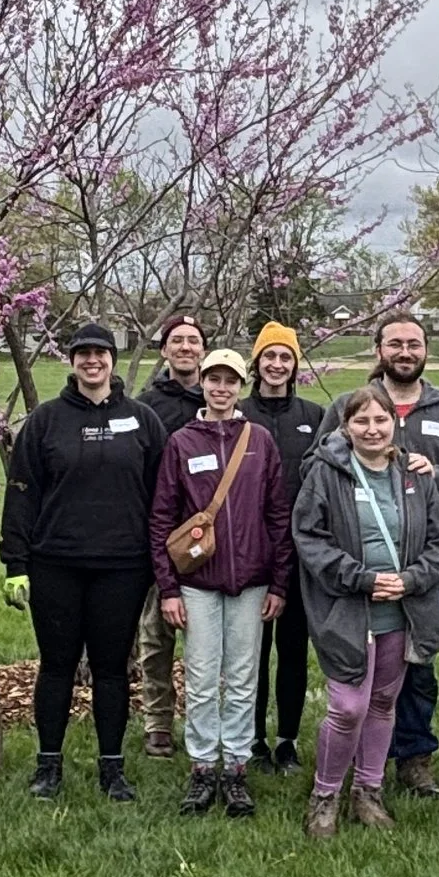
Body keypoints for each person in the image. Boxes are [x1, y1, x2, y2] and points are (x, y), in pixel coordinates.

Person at [0, 321, 169, 800]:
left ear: (113, 360)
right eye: (82, 354)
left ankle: (112, 768)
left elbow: (162, 496)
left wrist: (160, 565)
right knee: (57, 666)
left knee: (112, 668)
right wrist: (16, 563)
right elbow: (22, 493)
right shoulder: (46, 421)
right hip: (56, 563)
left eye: (101, 353)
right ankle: (48, 765)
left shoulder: (141, 420)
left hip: (123, 566)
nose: (92, 361)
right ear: (70, 362)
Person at [291, 387, 439, 838]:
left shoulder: (414, 475)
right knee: (348, 706)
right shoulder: (327, 475)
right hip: (348, 607)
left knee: (383, 702)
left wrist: (412, 579)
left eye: (380, 420)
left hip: (402, 609)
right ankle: (324, 795)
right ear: (346, 427)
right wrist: (361, 577)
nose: (372, 429)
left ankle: (368, 791)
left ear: (393, 425)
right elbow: (309, 538)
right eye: (361, 421)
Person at [343, 311, 439, 799]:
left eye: (414, 344)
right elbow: (321, 466)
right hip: (365, 569)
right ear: (378, 350)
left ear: (425, 349)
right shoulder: (352, 405)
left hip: (427, 567)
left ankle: (415, 756)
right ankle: (365, 758)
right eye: (394, 344)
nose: (404, 352)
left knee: (417, 664)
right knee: (362, 663)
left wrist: (437, 473)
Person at [150, 347, 293, 816]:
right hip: (199, 581)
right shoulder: (182, 442)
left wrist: (279, 581)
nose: (221, 388)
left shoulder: (260, 441)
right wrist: (168, 588)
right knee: (202, 676)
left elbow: (277, 513)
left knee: (242, 676)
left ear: (240, 385)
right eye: (213, 379)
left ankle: (235, 766)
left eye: (230, 381)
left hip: (252, 581)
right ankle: (202, 766)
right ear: (203, 385)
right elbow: (162, 517)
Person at [238, 321, 324, 771]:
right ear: (256, 363)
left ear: (295, 365)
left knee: (292, 650)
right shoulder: (237, 414)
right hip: (250, 552)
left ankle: (287, 739)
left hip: (300, 554)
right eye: (269, 356)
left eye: (285, 357)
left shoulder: (313, 416)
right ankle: (251, 738)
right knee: (252, 651)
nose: (276, 364)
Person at [135, 312, 210, 756]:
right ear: (165, 351)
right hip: (160, 532)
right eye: (177, 341)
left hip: (206, 536)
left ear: (202, 349)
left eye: (193, 341)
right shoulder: (147, 406)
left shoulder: (219, 399)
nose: (185, 347)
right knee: (155, 633)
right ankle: (157, 722)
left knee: (203, 633)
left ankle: (203, 719)